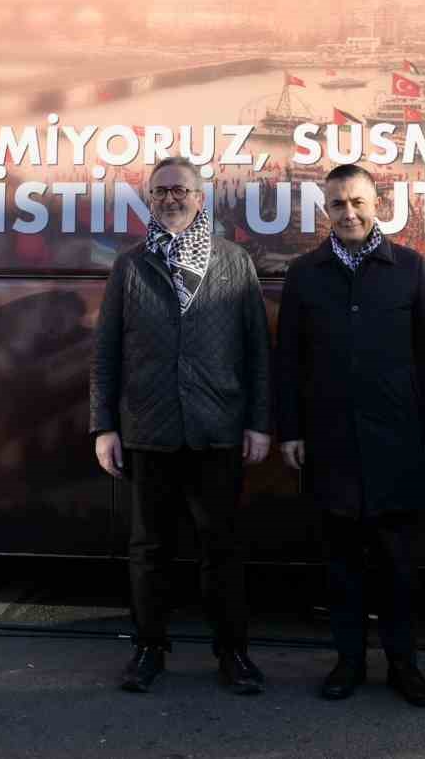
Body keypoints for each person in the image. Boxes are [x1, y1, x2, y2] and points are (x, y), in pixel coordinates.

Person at [89, 156, 272, 695]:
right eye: (160, 190)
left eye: (181, 190)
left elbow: (257, 352)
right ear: (149, 198)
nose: (170, 199)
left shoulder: (235, 261)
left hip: (218, 429)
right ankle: (149, 649)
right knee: (148, 550)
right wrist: (104, 426)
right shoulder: (131, 265)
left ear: (200, 198)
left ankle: (233, 654)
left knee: (222, 548)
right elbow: (106, 354)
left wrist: (259, 423)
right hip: (149, 428)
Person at [273, 163, 425, 707]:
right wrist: (291, 431)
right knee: (342, 567)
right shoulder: (306, 274)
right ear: (325, 211)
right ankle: (348, 662)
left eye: (357, 203)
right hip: (329, 442)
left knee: (398, 566)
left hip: (397, 442)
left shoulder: (410, 268)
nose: (348, 213)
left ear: (377, 205)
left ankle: (405, 666)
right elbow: (289, 362)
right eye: (337, 205)